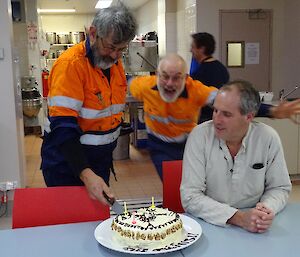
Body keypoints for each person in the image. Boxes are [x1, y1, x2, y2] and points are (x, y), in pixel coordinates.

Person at [130, 54, 300, 180]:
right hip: (159, 146)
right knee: (174, 185)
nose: (169, 83)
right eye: (164, 76)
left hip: (189, 145)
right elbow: (124, 83)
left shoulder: (196, 90)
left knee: (198, 183)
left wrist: (273, 111)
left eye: (176, 78)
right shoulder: (144, 86)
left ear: (186, 78)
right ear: (157, 75)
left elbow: (233, 101)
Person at [41, 4, 137, 205]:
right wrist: (86, 174)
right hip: (67, 166)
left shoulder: (116, 64)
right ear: (93, 33)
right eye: (111, 47)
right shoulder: (70, 65)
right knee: (72, 227)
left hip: (99, 163)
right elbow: (63, 128)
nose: (115, 55)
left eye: (122, 49)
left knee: (95, 224)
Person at [180, 80, 292, 233]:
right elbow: (190, 197)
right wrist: (239, 218)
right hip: (209, 223)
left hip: (254, 226)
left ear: (249, 117)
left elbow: (280, 188)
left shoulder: (267, 138)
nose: (217, 120)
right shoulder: (200, 136)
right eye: (215, 110)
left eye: (226, 114)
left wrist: (265, 210)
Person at [190, 32, 230, 123]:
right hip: (222, 117)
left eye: (193, 47)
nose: (190, 50)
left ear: (202, 49)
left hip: (205, 120)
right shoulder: (222, 68)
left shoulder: (200, 73)